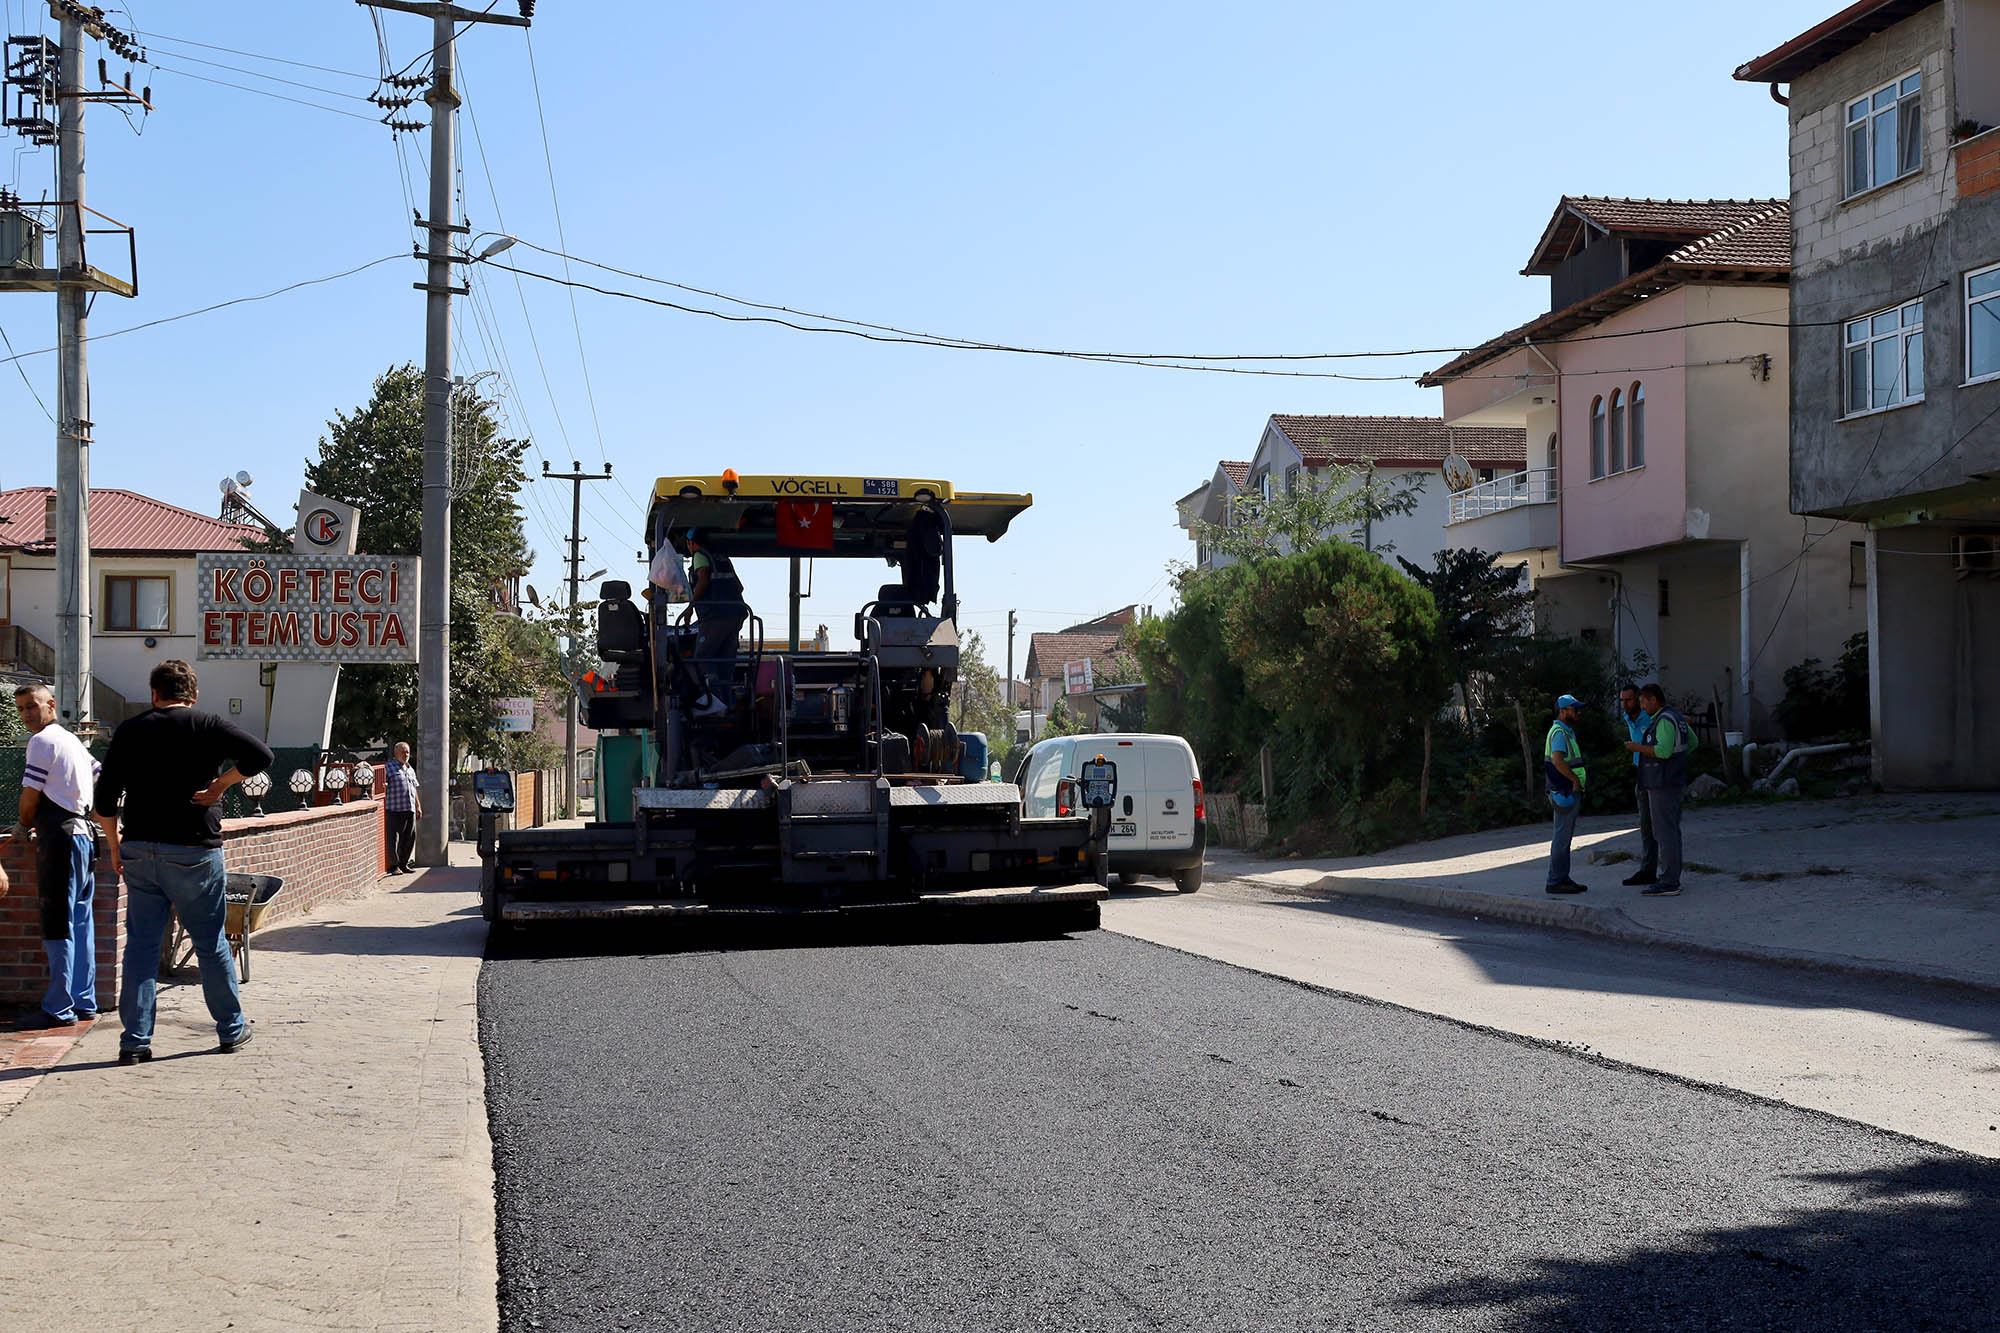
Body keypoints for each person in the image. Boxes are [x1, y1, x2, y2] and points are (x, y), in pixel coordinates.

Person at [94, 660, 274, 1065]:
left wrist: (114, 846)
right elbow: (261, 755)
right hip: (195, 850)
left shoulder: (131, 729)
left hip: (139, 848)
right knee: (209, 943)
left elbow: (103, 802)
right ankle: (231, 1029)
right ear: (192, 695)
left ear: (154, 693)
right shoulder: (207, 724)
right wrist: (221, 784)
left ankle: (135, 1041)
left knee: (140, 948)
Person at [12, 683, 99, 1029]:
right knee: (81, 920)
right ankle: (84, 1001)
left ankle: (59, 1007)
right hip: (83, 837)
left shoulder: (42, 741)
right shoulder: (73, 741)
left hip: (59, 840)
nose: (26, 714)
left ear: (51, 704)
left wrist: (22, 825)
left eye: (31, 706)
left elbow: (30, 796)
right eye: (20, 709)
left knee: (58, 922)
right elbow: (102, 778)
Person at [1625, 683, 1694, 898]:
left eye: (1644, 702)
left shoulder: (1663, 720)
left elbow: (1663, 751)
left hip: (1662, 783)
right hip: (1672, 781)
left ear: (1654, 699)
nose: (1642, 706)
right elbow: (1693, 742)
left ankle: (1669, 880)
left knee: (1664, 833)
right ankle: (1669, 876)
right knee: (1669, 831)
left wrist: (1638, 748)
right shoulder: (1676, 717)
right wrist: (1678, 761)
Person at [686, 528, 748, 718]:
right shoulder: (722, 558)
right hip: (736, 614)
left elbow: (703, 579)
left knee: (703, 655)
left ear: (691, 543)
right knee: (725, 660)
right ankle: (728, 703)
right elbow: (739, 586)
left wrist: (691, 607)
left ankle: (714, 703)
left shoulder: (699, 556)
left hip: (716, 616)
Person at [1543, 693, 1589, 895]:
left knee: (1563, 837)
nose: (1578, 712)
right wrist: (1574, 780)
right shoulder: (1560, 732)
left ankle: (1562, 878)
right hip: (1565, 790)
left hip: (1565, 790)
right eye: (1574, 709)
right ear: (1562, 712)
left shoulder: (1565, 731)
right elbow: (1558, 761)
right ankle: (1555, 881)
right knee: (1562, 838)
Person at [1619, 683, 1660, 886]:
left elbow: (1682, 722)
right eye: (1622, 700)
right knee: (1645, 825)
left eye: (1628, 700)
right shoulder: (1628, 717)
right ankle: (1648, 869)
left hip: (1656, 772)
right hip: (1641, 773)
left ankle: (1663, 870)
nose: (1624, 704)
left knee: (1660, 825)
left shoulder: (1651, 715)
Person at [383, 741, 422, 874]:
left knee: (409, 838)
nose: (406, 754)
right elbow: (381, 786)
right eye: (403, 752)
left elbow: (414, 788)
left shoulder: (410, 769)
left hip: (409, 809)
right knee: (393, 839)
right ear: (395, 753)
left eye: (407, 752)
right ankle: (394, 866)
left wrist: (418, 806)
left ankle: (403, 864)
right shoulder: (388, 768)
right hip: (394, 809)